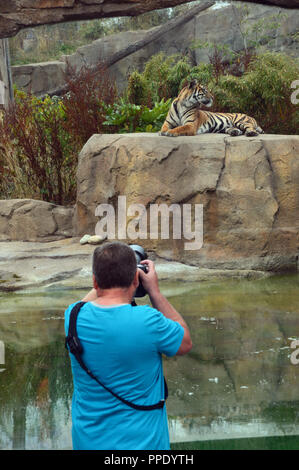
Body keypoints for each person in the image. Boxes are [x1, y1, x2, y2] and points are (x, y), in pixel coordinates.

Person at [64, 241, 192, 450]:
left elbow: (88, 299)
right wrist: (154, 292)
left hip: (89, 443)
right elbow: (185, 342)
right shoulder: (148, 321)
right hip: (144, 446)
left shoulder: (73, 317)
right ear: (135, 278)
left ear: (95, 281)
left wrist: (109, 271)